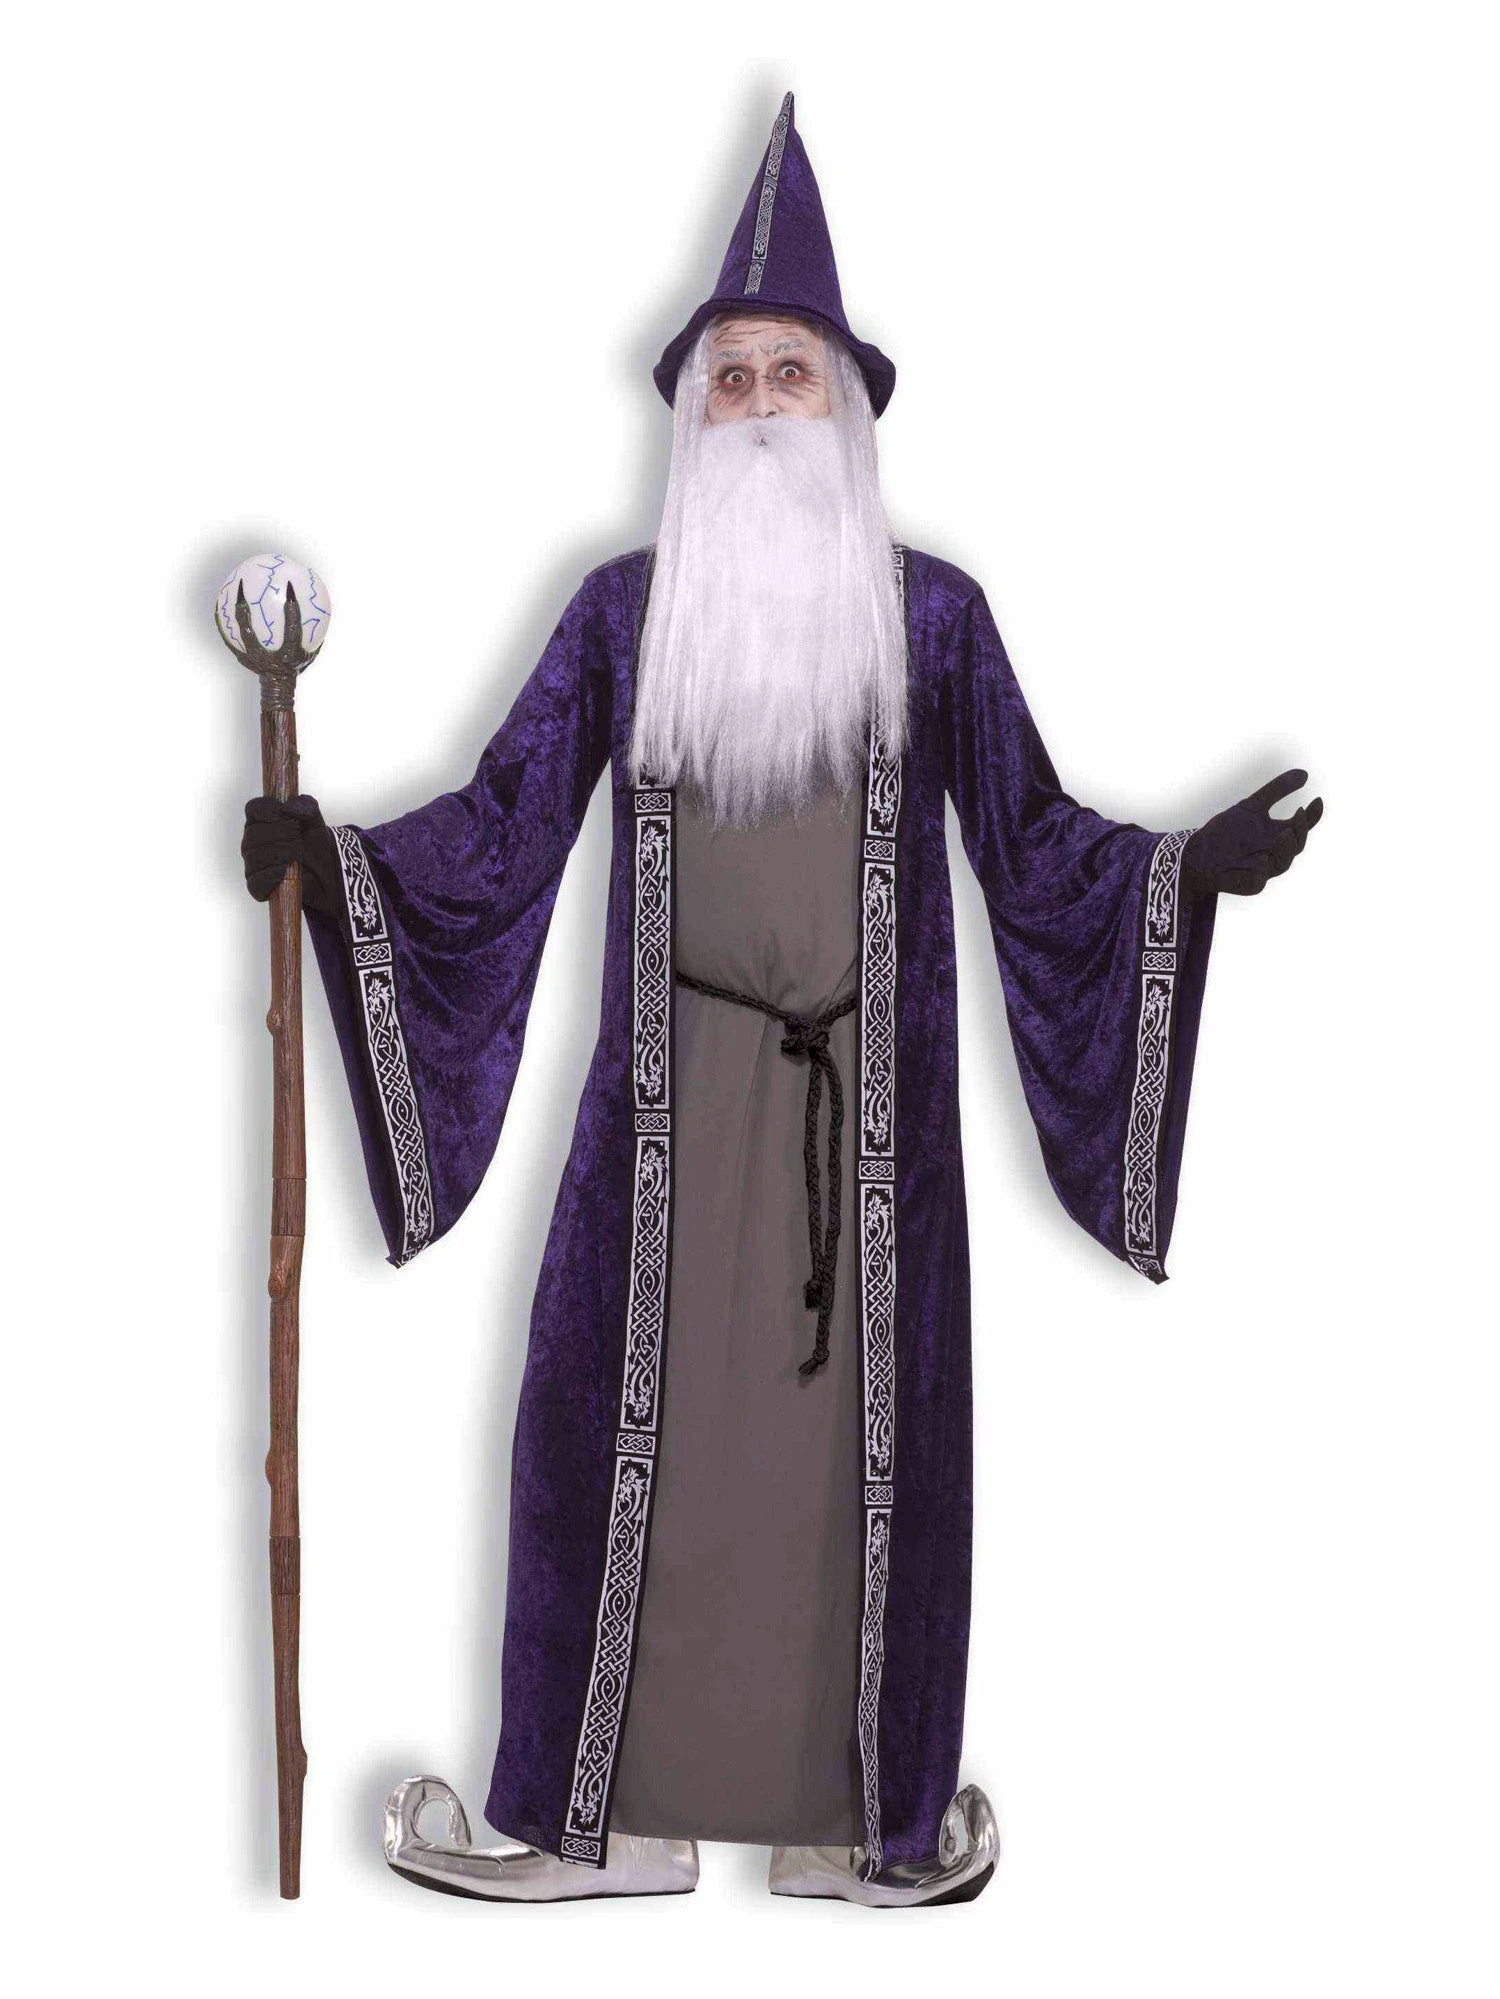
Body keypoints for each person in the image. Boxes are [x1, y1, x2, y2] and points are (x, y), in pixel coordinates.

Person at [241, 95, 1320, 1908]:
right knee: (616, 1448)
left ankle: (852, 1827)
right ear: (691, 415)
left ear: (845, 409)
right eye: (730, 379)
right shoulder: (620, 618)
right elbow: (500, 832)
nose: (757, 407)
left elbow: (1036, 844)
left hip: (865, 1153)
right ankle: (599, 1825)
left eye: (787, 376)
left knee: (849, 1490)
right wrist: (330, 861)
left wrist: (1179, 875)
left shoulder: (936, 623)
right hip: (665, 1132)